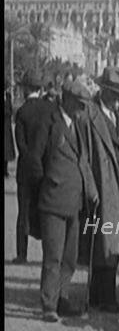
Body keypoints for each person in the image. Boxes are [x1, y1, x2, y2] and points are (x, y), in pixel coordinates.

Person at [30, 76, 99, 322]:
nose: (83, 109)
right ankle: (48, 304)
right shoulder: (50, 122)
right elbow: (34, 161)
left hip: (74, 202)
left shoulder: (78, 126)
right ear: (67, 100)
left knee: (70, 258)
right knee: (53, 256)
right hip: (52, 201)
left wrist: (91, 191)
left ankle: (63, 298)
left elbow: (83, 161)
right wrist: (45, 186)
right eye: (80, 104)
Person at [76, 66, 119, 313]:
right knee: (105, 243)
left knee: (113, 240)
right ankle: (105, 297)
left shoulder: (117, 116)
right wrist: (91, 188)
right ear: (103, 90)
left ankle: (101, 295)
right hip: (103, 186)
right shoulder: (89, 116)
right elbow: (83, 155)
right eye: (115, 93)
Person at [13, 70, 54, 263]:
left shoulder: (22, 112)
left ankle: (22, 254)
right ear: (40, 89)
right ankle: (49, 254)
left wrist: (30, 160)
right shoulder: (49, 110)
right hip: (45, 169)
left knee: (23, 212)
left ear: (25, 89)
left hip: (26, 170)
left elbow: (20, 144)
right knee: (47, 213)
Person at [4, 86, 16, 177]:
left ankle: (5, 169)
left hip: (7, 126)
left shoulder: (8, 96)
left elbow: (10, 109)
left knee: (7, 149)